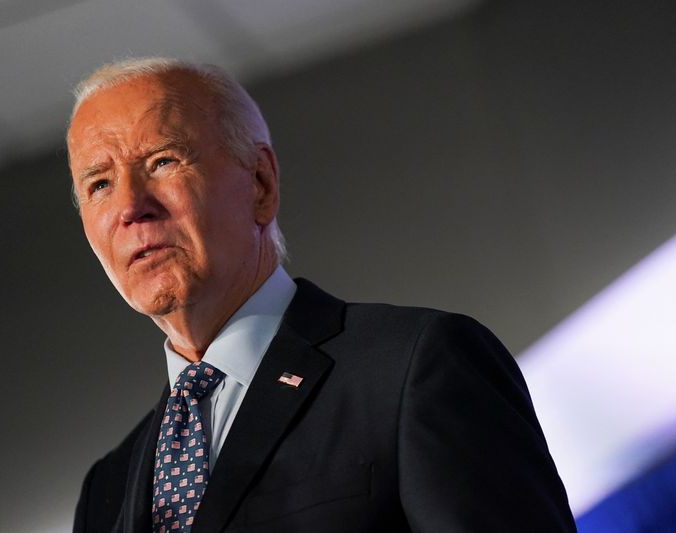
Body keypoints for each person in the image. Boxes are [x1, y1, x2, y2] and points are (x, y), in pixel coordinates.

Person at [67, 57, 576, 533]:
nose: (131, 206)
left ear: (261, 183)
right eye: (100, 184)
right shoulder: (106, 488)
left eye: (162, 161)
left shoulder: (413, 367)